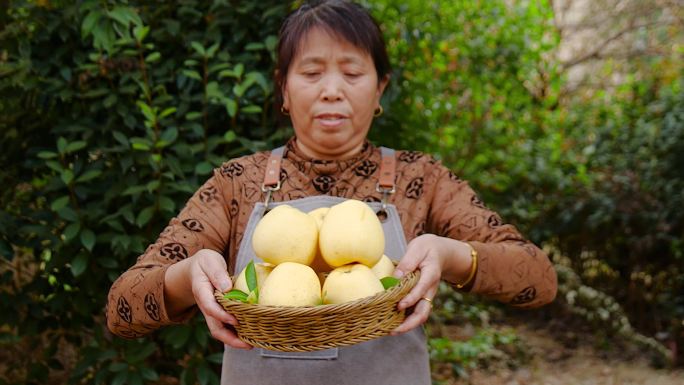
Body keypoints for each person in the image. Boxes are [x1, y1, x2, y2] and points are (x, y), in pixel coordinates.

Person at [106, 1, 558, 384]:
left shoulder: (421, 179)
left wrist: (453, 256)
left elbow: (538, 280)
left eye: (352, 72)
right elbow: (122, 309)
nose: (332, 91)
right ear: (284, 89)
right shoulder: (237, 182)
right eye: (312, 72)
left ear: (380, 88)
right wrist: (187, 278)